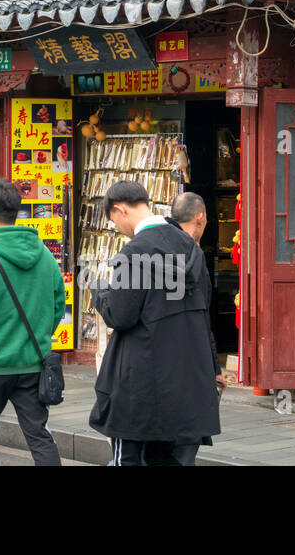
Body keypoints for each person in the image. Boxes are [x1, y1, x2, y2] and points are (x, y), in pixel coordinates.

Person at [89, 181, 220, 465]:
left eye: (113, 221)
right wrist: (214, 370)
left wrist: (99, 291)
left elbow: (120, 316)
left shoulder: (133, 254)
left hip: (142, 385)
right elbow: (203, 314)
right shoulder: (192, 250)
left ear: (119, 210)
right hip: (187, 380)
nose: (116, 227)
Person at [0, 179, 63, 466]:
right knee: (41, 436)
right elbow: (57, 307)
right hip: (31, 368)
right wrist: (38, 338)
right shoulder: (44, 257)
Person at [167, 192, 224, 466]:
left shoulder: (157, 247)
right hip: (190, 362)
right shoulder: (194, 256)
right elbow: (201, 318)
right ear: (200, 218)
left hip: (161, 362)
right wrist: (215, 368)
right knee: (185, 444)